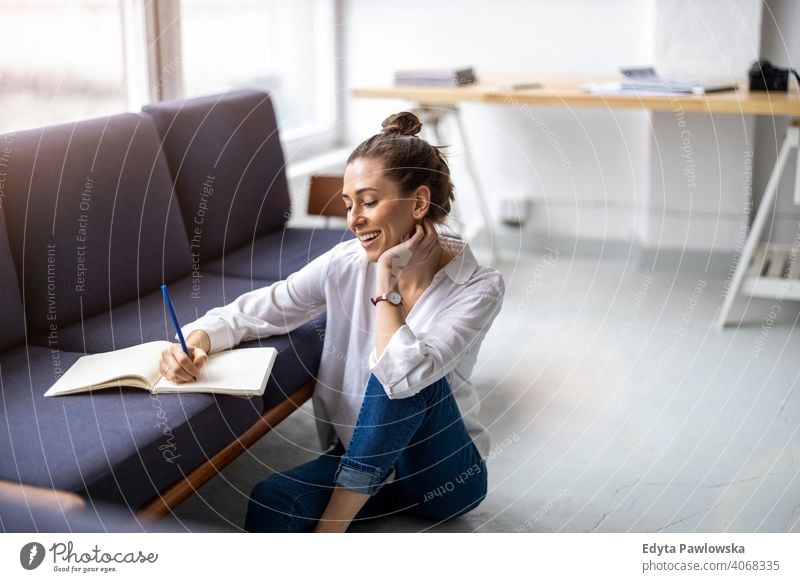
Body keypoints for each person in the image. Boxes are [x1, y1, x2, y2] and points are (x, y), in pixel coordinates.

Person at [158, 111, 505, 533]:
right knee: (273, 500)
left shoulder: (478, 286)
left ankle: (332, 531)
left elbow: (403, 374)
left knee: (400, 366)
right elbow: (255, 309)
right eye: (348, 204)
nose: (353, 218)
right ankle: (348, 506)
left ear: (418, 203)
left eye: (369, 201)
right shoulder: (344, 264)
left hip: (441, 477)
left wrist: (384, 284)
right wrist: (195, 342)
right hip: (356, 462)